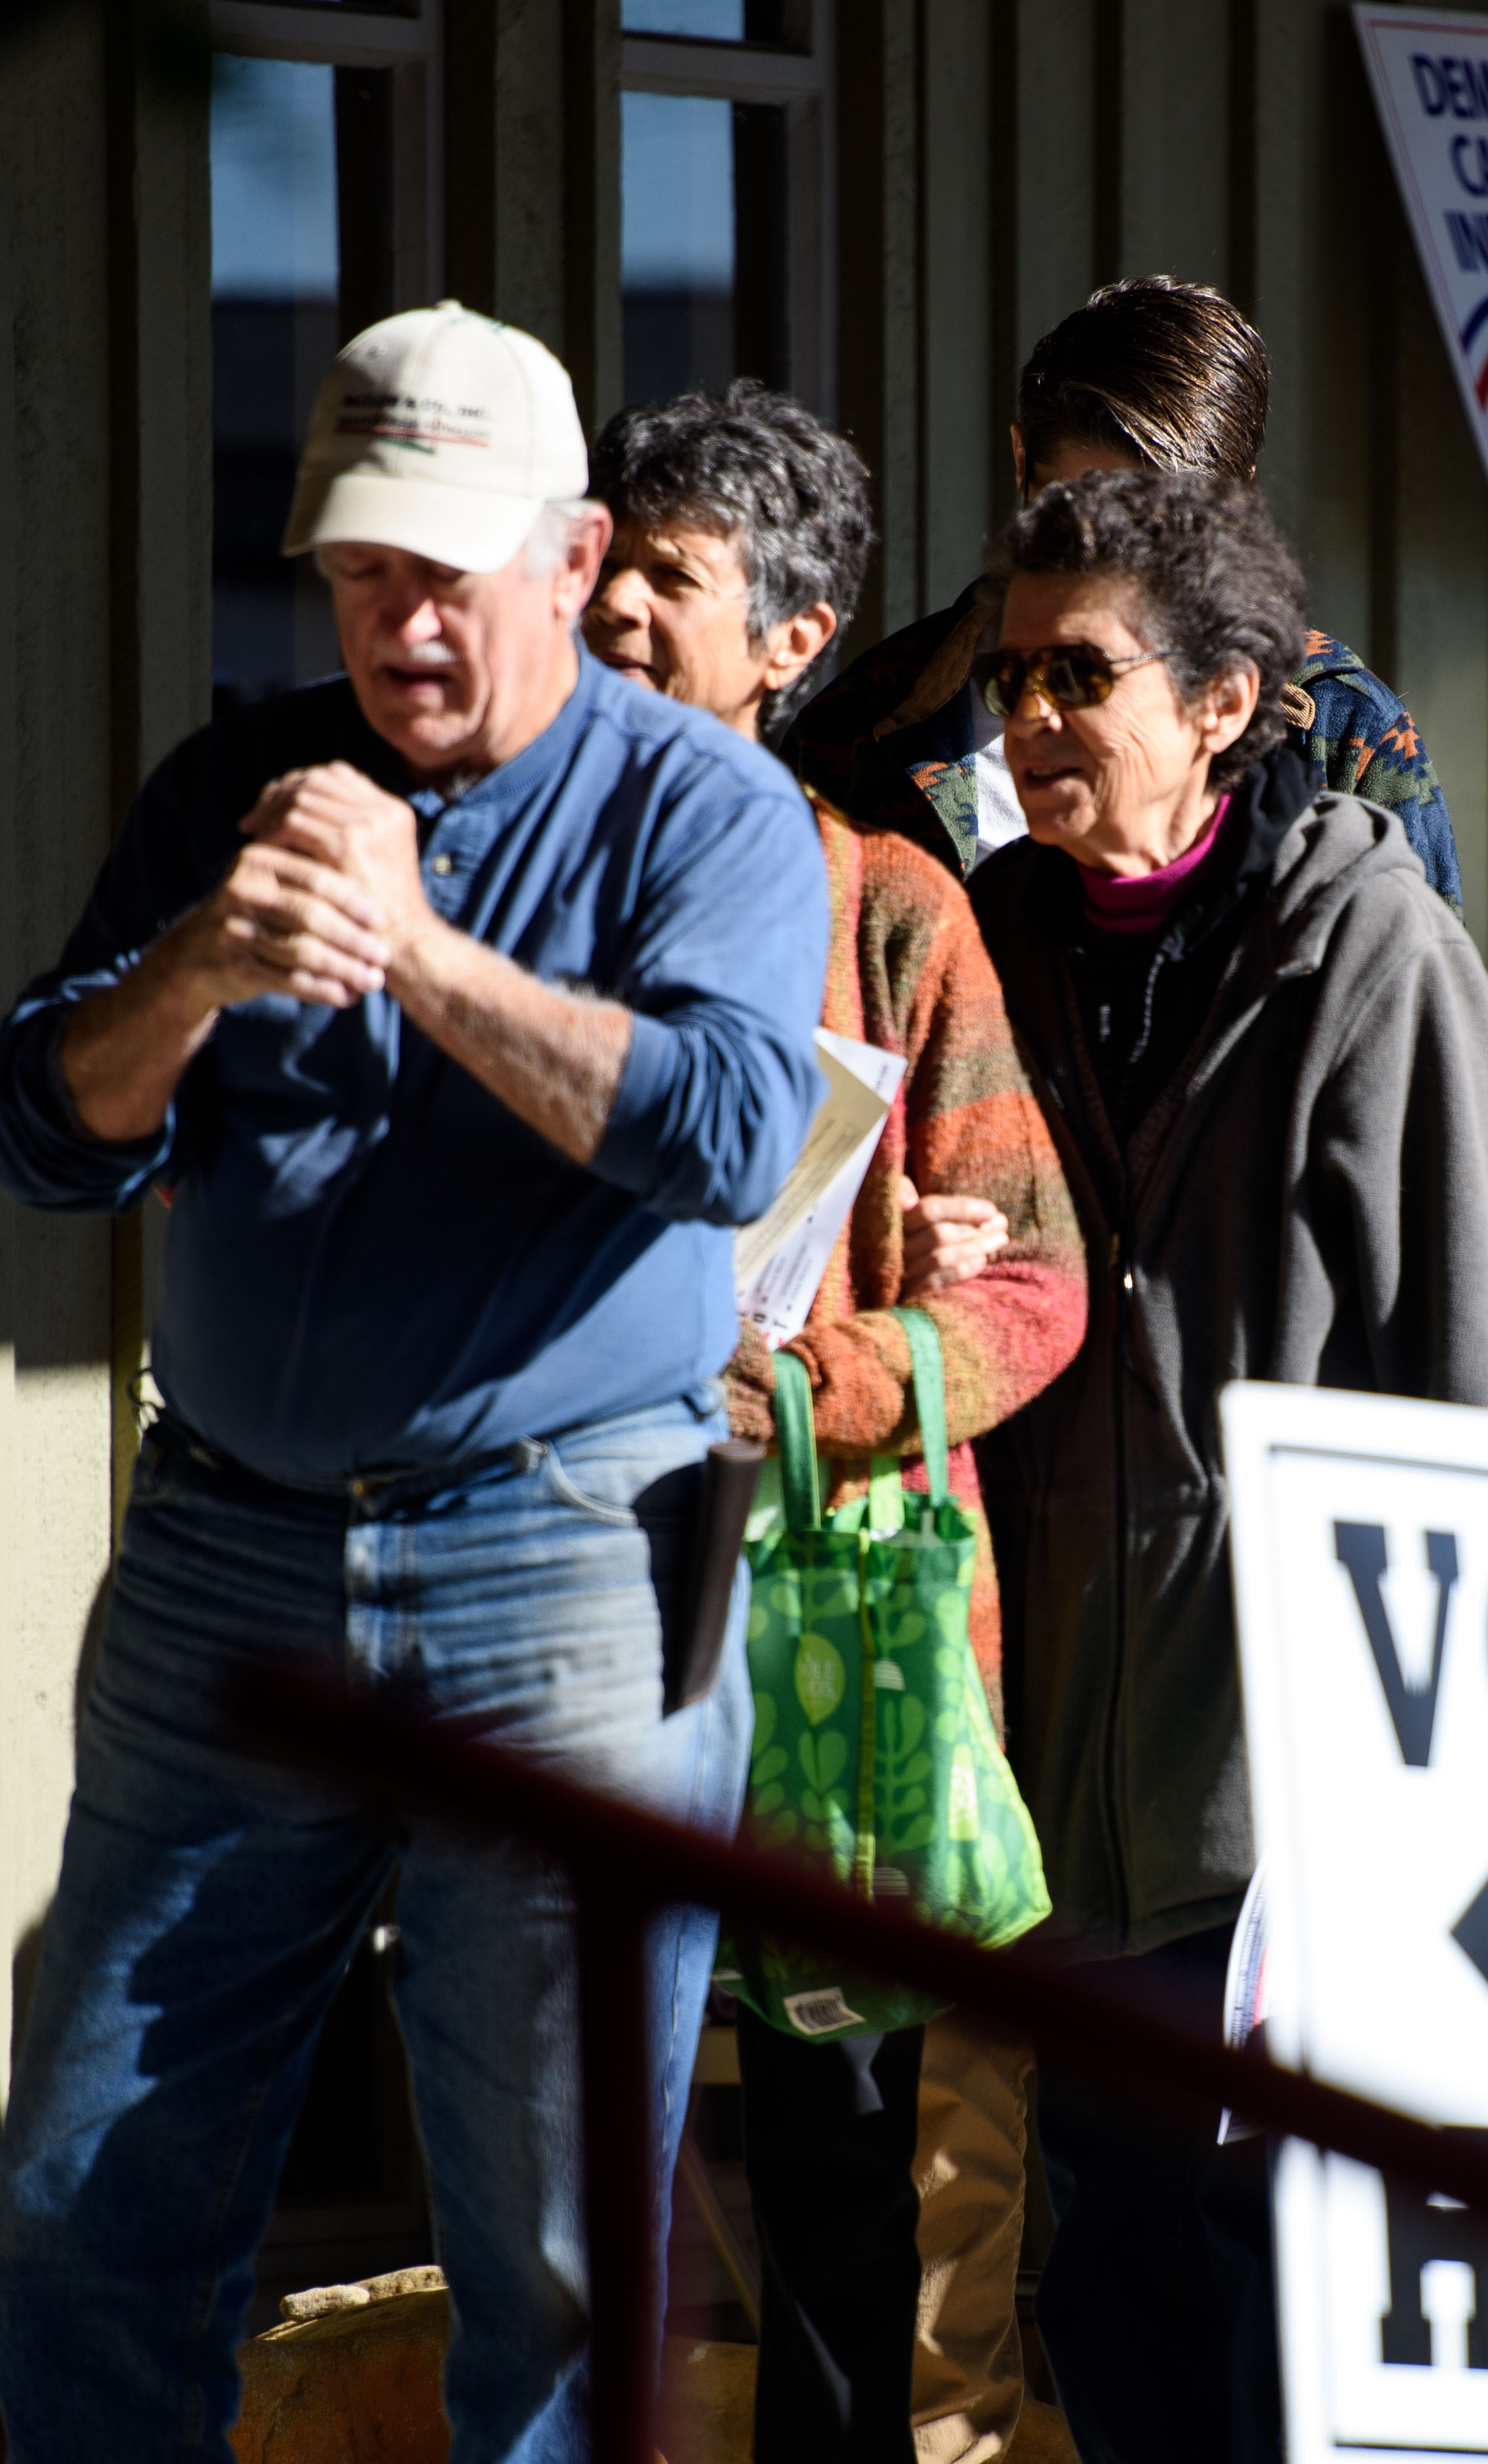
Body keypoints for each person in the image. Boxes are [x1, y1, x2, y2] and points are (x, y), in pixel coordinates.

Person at [0, 304, 823, 2460]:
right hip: (231, 1563)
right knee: (88, 2189)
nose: (402, 624)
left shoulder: (706, 806)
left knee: (553, 2256)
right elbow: (41, 1128)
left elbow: (731, 1131)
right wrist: (200, 963)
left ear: (571, 559)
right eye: (362, 572)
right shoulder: (234, 791)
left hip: (563, 1568)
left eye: (448, 573)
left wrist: (425, 954)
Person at [961, 466, 1488, 2463]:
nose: (1029, 718)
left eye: (1079, 676)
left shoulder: (1367, 948)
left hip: (1292, 1739)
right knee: (1106, 2245)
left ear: (1224, 701)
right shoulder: (987, 939)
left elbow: (1474, 1377)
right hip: (1053, 1718)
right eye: (1010, 674)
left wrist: (1453, 1767)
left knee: (1288, 2252)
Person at [584, 380, 1089, 2464]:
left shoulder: (890, 905)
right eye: (601, 567)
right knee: (568, 2130)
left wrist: (818, 1377)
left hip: (821, 1612)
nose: (614, 612)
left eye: (668, 586)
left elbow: (1037, 1286)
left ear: (793, 642)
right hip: (555, 1581)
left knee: (833, 2160)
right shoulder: (511, 888)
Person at [785, 275, 1459, 902]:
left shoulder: (1337, 730)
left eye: (1162, 529)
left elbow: (1409, 1006)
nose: (1111, 561)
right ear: (1022, 464)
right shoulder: (862, 730)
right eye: (1075, 514)